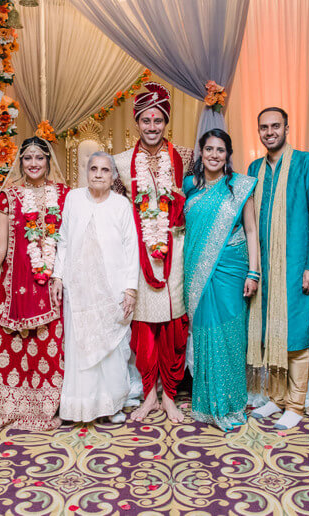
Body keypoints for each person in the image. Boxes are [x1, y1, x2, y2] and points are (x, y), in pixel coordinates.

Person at [113, 82, 193, 423]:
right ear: (136, 122)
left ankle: (170, 395)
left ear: (166, 122)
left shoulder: (186, 158)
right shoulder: (119, 163)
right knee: (144, 326)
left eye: (158, 120)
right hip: (138, 253)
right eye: (145, 120)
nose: (151, 127)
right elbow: (114, 212)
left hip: (176, 252)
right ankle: (148, 395)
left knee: (173, 326)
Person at [0, 137, 69, 431]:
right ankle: (9, 407)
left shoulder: (64, 195)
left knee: (49, 346)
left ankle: (45, 410)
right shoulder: (8, 197)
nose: (33, 164)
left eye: (39, 158)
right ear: (20, 162)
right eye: (28, 158)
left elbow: (70, 242)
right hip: (15, 283)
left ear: (48, 161)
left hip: (53, 283)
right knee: (13, 345)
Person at [247, 108, 309, 431]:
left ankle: (295, 404)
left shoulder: (306, 163)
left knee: (295, 335)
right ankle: (275, 398)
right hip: (263, 267)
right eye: (264, 127)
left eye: (275, 126)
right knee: (268, 333)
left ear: (287, 128)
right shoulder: (254, 168)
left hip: (295, 265)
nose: (270, 132)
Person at [51, 152, 139, 424]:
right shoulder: (73, 198)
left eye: (104, 170)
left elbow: (131, 247)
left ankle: (111, 406)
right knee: (80, 345)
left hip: (111, 288)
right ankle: (80, 407)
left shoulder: (121, 204)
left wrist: (130, 289)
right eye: (93, 169)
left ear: (113, 176)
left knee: (111, 348)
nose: (98, 174)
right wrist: (58, 276)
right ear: (86, 172)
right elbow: (63, 240)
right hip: (78, 289)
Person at [183, 129, 257, 431]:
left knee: (229, 335)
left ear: (228, 155)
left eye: (221, 150)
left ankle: (230, 402)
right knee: (203, 333)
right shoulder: (190, 186)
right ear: (201, 153)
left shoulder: (239, 187)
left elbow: (251, 231)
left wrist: (254, 271)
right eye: (209, 149)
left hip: (232, 270)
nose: (214, 155)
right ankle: (205, 403)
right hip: (197, 271)